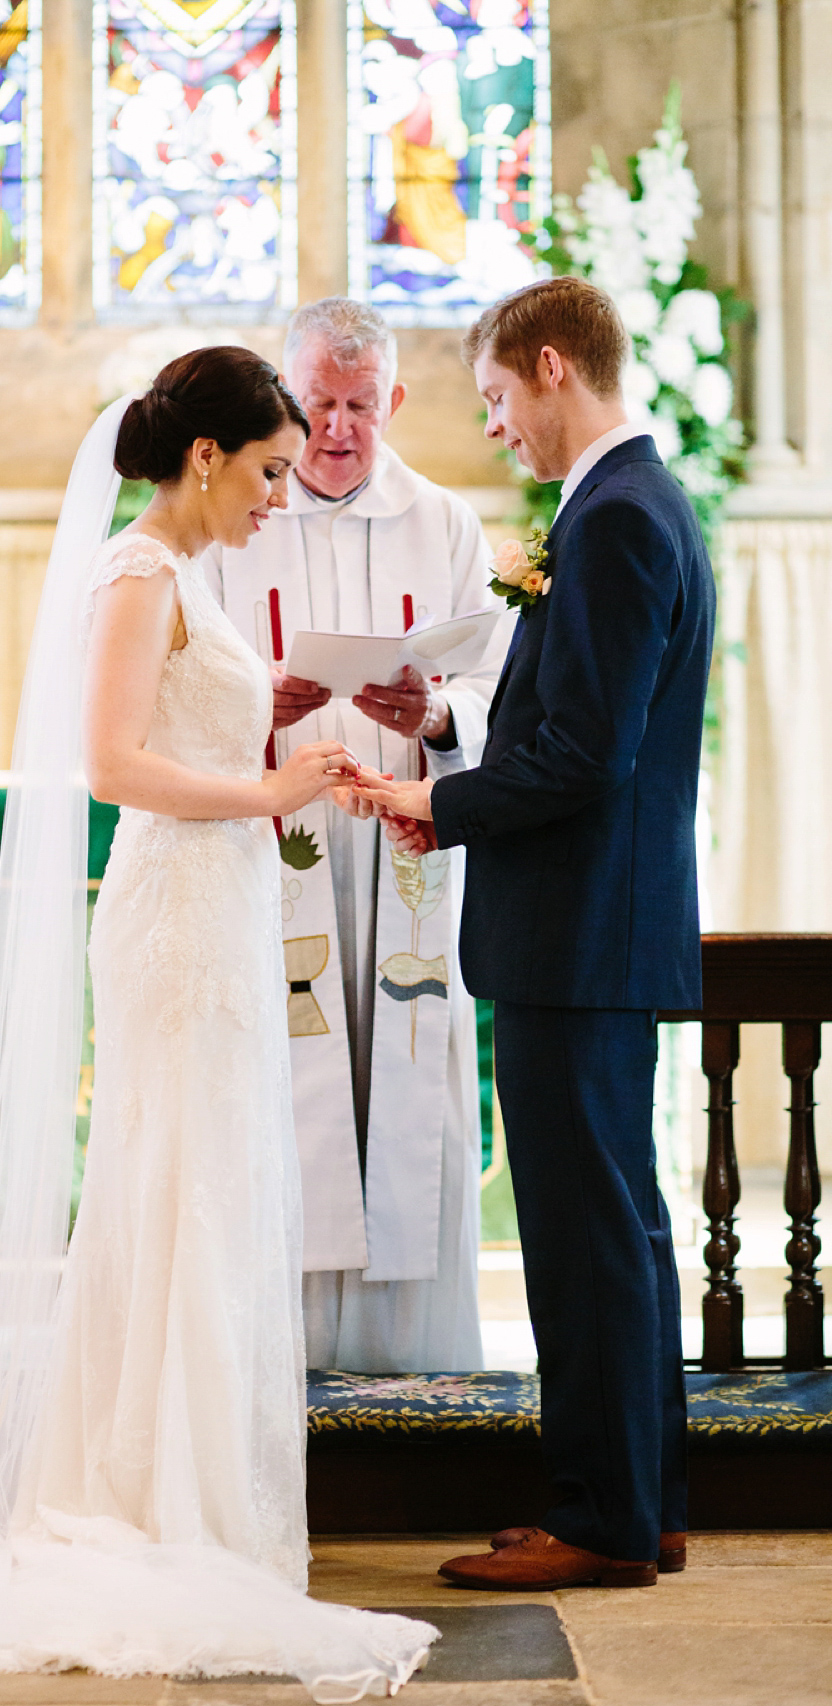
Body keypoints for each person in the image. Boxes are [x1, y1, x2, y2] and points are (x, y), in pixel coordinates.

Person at [0, 346, 433, 1698]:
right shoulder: (137, 573)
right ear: (207, 456)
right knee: (181, 1188)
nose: (283, 498)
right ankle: (157, 1508)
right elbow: (108, 767)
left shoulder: (184, 576)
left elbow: (182, 745)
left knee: (205, 1186)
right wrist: (270, 783)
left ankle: (191, 1499)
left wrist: (285, 760)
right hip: (175, 927)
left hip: (213, 906)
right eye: (272, 472)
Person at [347, 277, 714, 1589]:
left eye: (498, 396)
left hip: (582, 934)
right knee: (620, 1229)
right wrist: (447, 725)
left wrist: (431, 802)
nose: (494, 425)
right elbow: (566, 722)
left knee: (585, 1235)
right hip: (592, 933)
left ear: (552, 368)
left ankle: (603, 1522)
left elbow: (588, 762)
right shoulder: (621, 505)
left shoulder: (615, 520)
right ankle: (641, 1498)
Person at [205, 297, 511, 1373]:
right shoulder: (238, 514)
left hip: (401, 847)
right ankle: (281, 1350)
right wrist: (259, 713)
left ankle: (407, 1347)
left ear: (398, 401)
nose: (338, 428)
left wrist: (431, 716)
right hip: (274, 843)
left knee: (401, 1070)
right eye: (321, 404)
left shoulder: (446, 524)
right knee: (289, 1077)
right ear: (290, 398)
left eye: (361, 406)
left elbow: (490, 683)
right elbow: (184, 682)